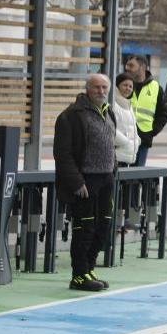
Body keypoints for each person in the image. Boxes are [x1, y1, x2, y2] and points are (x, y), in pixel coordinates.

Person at [54, 74, 117, 292]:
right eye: (96, 87)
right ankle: (79, 275)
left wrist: (113, 170)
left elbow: (110, 145)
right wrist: (76, 182)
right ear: (87, 89)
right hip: (85, 182)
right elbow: (63, 154)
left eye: (104, 87)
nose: (101, 91)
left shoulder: (108, 112)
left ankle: (89, 269)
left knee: (103, 227)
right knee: (84, 229)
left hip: (106, 179)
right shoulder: (71, 115)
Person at [126, 55, 167, 166]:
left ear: (142, 67)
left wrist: (151, 133)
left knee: (138, 173)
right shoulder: (123, 84)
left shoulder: (156, 88)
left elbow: (163, 115)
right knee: (120, 173)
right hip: (124, 139)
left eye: (131, 65)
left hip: (143, 140)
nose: (127, 68)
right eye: (127, 65)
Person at [112, 73, 138, 167]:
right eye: (125, 85)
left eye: (130, 86)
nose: (128, 88)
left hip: (124, 156)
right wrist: (125, 142)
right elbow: (110, 127)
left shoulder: (127, 104)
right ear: (117, 86)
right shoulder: (113, 103)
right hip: (116, 156)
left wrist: (137, 140)